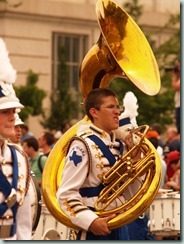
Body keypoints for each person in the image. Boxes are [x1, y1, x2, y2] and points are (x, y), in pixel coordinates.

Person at [56, 88, 132, 240]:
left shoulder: (120, 146)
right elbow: (65, 194)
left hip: (121, 225)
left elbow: (130, 193)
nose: (117, 111)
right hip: (94, 227)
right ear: (94, 112)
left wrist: (135, 161)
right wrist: (90, 221)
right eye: (111, 107)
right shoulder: (82, 144)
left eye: (118, 107)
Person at [0, 37, 32, 240]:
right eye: (5, 111)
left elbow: (23, 222)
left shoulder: (19, 158)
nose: (13, 117)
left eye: (14, 110)